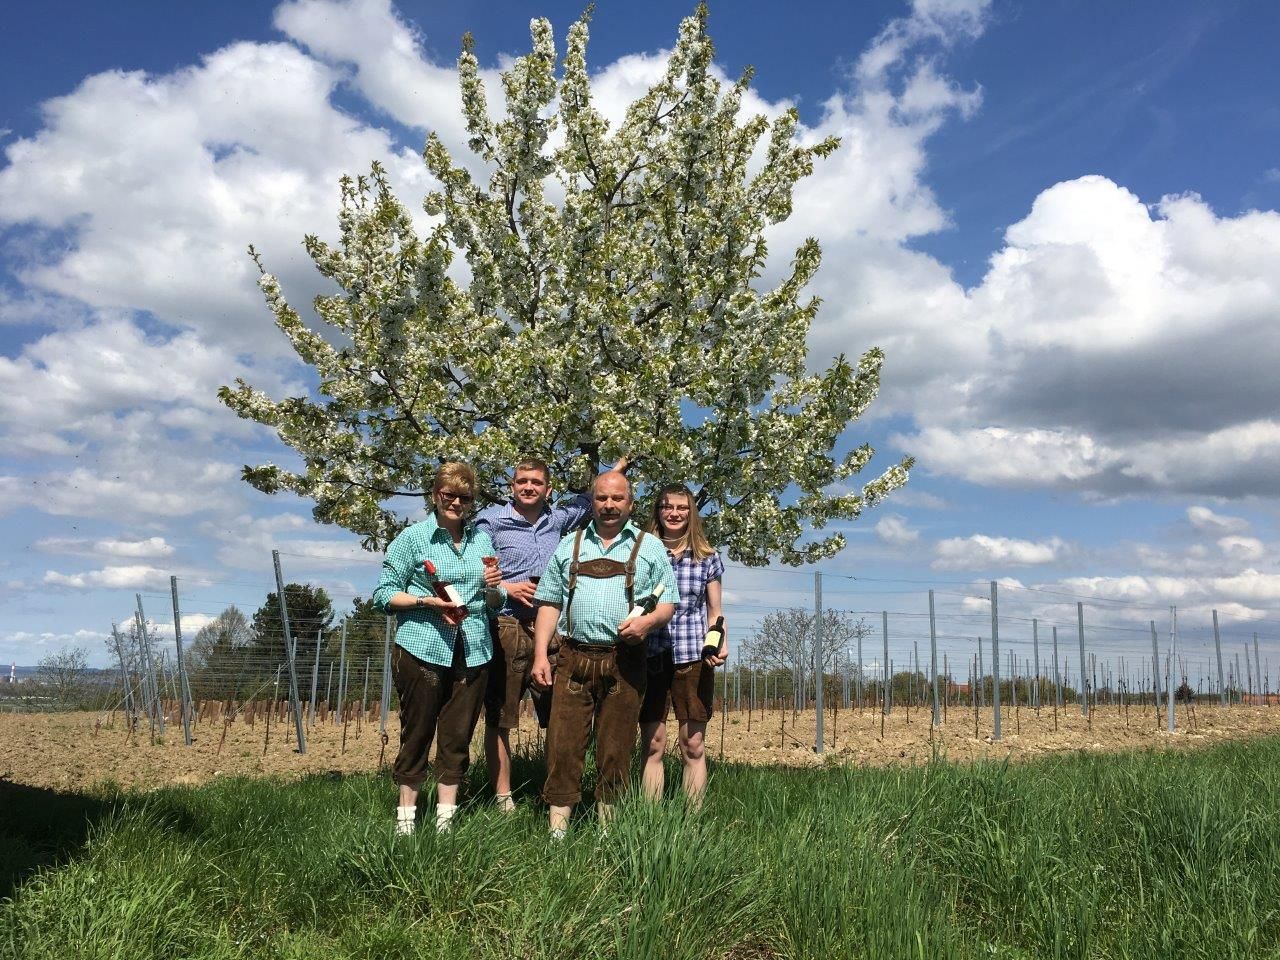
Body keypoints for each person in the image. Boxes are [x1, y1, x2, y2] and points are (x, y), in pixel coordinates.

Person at [529, 471, 678, 837]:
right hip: (572, 657)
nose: (609, 505)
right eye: (601, 498)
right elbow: (548, 602)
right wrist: (540, 656)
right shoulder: (570, 544)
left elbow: (668, 603)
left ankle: (607, 833)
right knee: (563, 746)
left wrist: (647, 624)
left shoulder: (649, 546)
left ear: (630, 503)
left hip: (624, 660)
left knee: (615, 748)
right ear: (592, 502)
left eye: (617, 499)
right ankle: (557, 835)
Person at [475, 456, 625, 812]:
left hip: (553, 631)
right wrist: (508, 588)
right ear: (512, 486)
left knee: (561, 719)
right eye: (522, 481)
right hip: (507, 626)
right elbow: (474, 569)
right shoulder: (490, 522)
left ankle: (555, 794)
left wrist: (615, 472)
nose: (529, 487)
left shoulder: (558, 519)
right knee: (501, 718)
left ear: (548, 489)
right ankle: (504, 798)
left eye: (536, 482)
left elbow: (591, 499)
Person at [373, 462, 505, 835]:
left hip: (473, 649)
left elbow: (494, 603)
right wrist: (426, 602)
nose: (456, 502)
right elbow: (383, 594)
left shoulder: (481, 541)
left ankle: (445, 825)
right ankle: (406, 823)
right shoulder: (413, 539)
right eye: (449, 495)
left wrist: (495, 588)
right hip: (422, 648)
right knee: (416, 734)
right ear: (435, 495)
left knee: (457, 737)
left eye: (465, 497)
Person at [639, 484, 726, 805]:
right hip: (651, 655)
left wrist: (720, 641)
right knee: (653, 743)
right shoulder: (643, 553)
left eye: (681, 508)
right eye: (667, 507)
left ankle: (693, 820)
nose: (674, 513)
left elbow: (715, 612)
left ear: (691, 513)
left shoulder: (707, 557)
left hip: (692, 657)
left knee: (693, 744)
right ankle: (648, 818)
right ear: (658, 511)